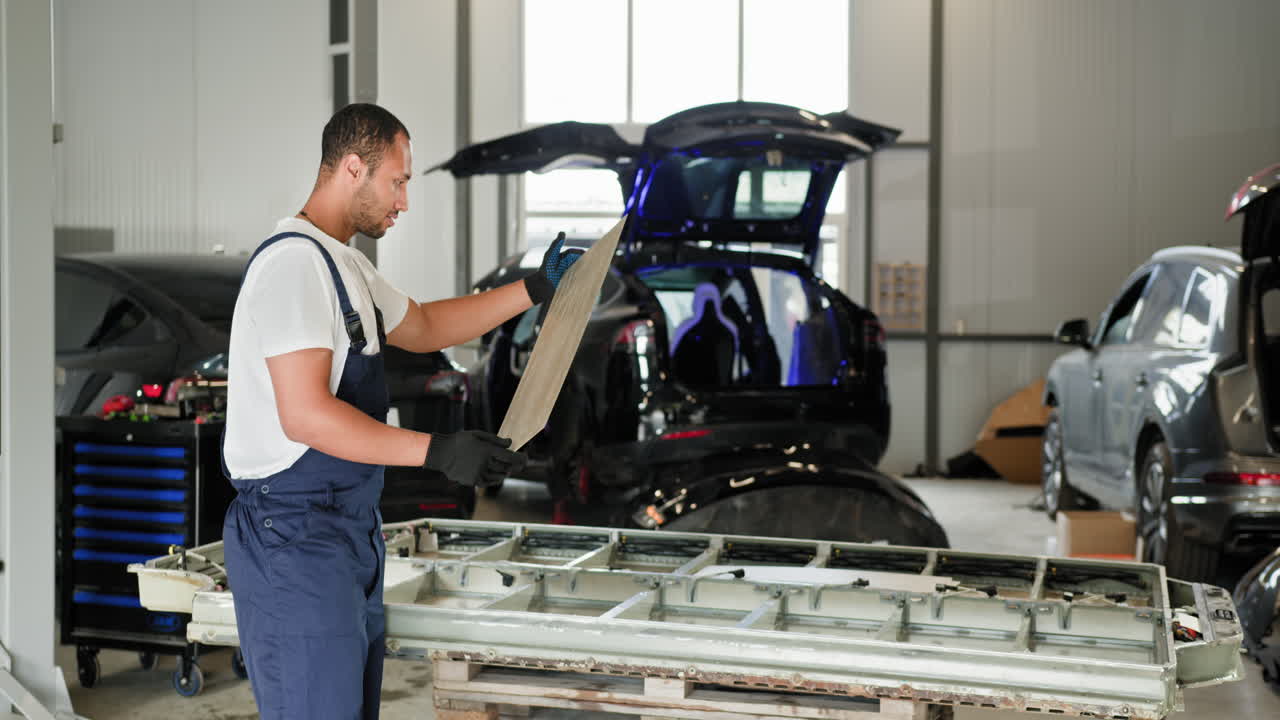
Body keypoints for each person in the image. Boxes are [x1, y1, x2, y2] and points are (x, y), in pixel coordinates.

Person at [220, 103, 580, 719]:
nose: (404, 200)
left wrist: (534, 289)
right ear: (353, 168)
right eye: (399, 180)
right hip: (295, 538)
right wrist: (438, 452)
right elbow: (305, 415)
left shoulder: (344, 264)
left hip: (343, 532)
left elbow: (427, 324)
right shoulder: (294, 266)